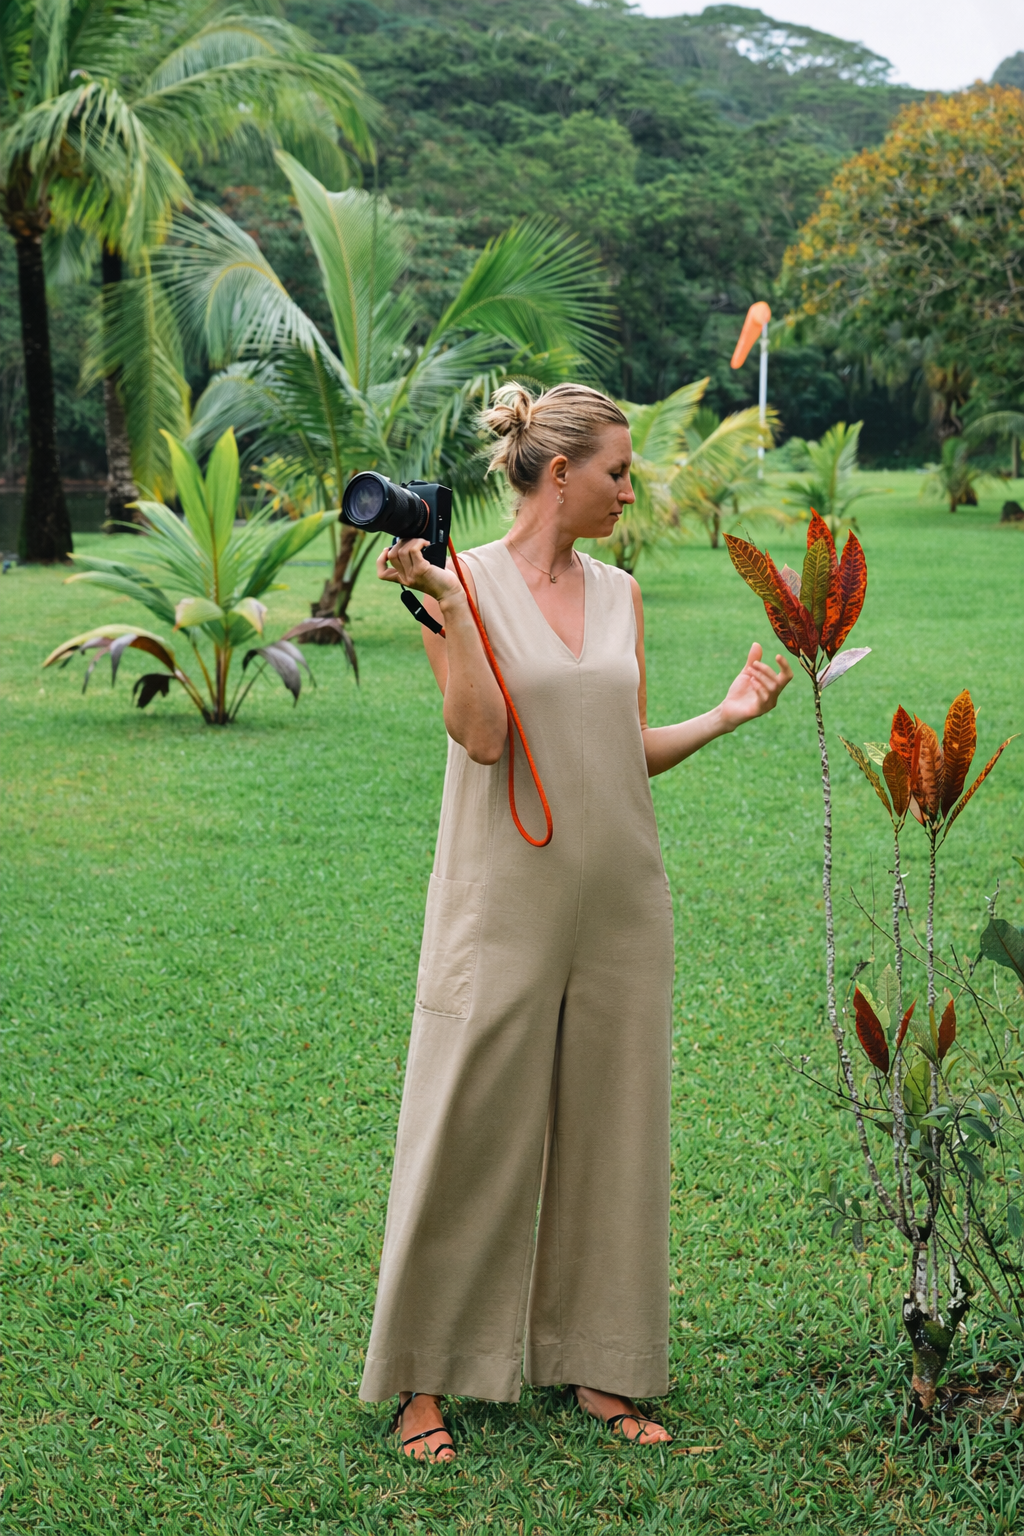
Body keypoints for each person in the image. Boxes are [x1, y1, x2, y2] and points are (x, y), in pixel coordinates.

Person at [359, 383, 792, 1461]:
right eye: (616, 471)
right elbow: (486, 736)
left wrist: (727, 716)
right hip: (501, 895)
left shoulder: (620, 593)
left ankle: (601, 1365)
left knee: (616, 1128)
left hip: (622, 899)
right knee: (468, 1121)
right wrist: (449, 616)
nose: (629, 487)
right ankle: (421, 1379)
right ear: (560, 474)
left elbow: (619, 744)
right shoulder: (457, 581)